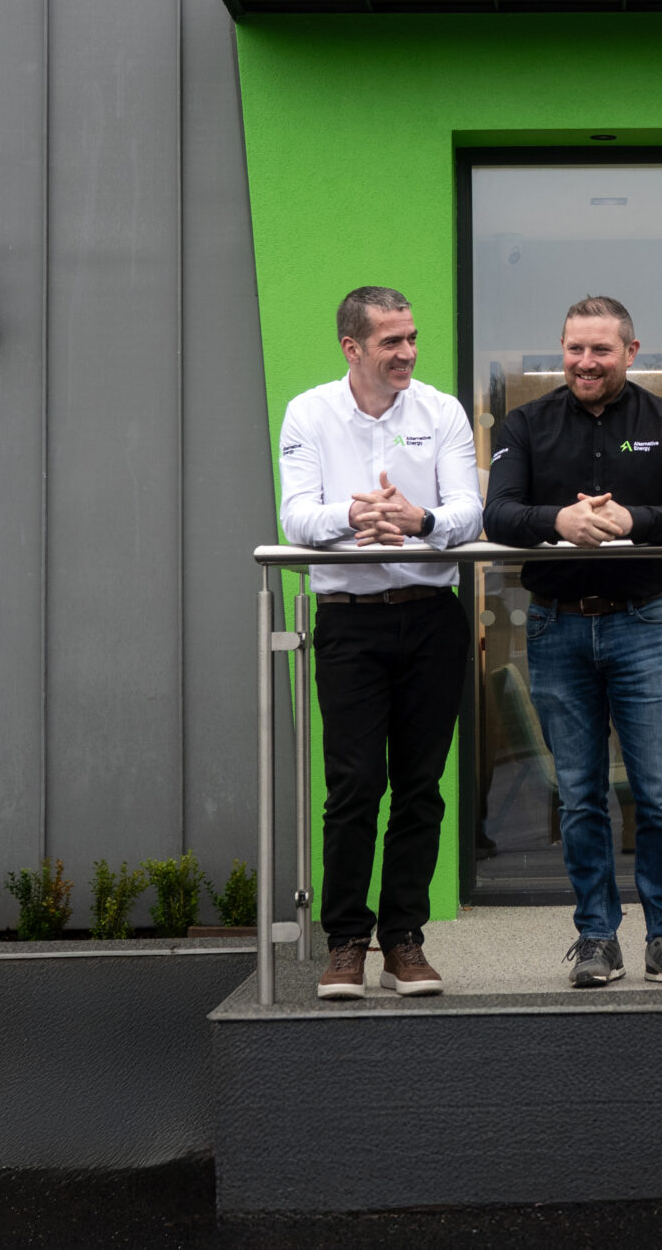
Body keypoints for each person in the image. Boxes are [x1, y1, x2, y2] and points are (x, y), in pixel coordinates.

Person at [485, 296, 662, 989]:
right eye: (575, 349)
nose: (587, 362)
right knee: (581, 795)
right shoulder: (524, 424)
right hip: (556, 626)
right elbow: (498, 513)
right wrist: (556, 518)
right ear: (562, 350)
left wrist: (629, 520)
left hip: (642, 621)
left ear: (631, 351)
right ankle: (596, 937)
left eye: (602, 350)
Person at [278, 285, 483, 1001]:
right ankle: (344, 943)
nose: (408, 352)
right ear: (352, 347)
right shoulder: (310, 411)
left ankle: (404, 940)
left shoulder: (442, 411)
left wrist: (417, 519)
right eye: (392, 340)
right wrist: (358, 516)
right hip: (349, 620)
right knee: (355, 784)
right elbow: (297, 517)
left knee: (420, 788)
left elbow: (468, 511)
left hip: (432, 617)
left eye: (411, 337)